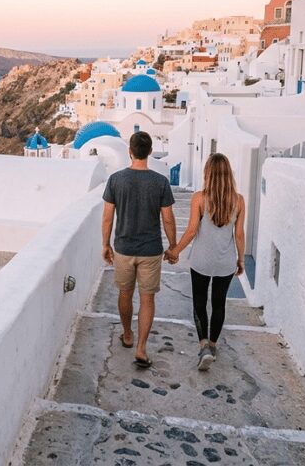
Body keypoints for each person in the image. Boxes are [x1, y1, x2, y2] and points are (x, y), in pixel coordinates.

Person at [102, 131, 177, 368]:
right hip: (151, 251)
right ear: (150, 152)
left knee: (125, 294)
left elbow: (107, 217)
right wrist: (173, 246)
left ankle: (127, 334)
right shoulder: (160, 182)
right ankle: (142, 348)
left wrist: (105, 244)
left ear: (130, 152)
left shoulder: (115, 180)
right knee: (147, 299)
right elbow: (168, 219)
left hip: (124, 249)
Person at [165, 153, 245, 371]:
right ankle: (213, 345)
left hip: (201, 261)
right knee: (219, 304)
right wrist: (240, 260)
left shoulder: (199, 198)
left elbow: (192, 231)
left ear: (207, 173)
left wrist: (174, 251)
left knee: (199, 303)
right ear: (228, 174)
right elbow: (239, 235)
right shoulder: (238, 200)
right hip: (225, 262)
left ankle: (204, 347)